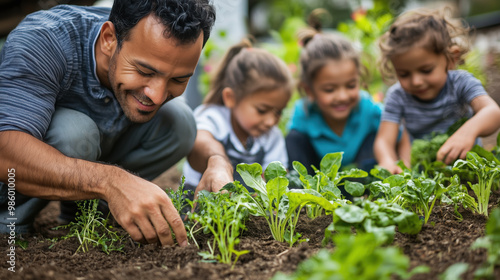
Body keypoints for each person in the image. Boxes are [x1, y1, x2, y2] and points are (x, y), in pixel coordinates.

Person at [0, 0, 216, 248]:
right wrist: (111, 182)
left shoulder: (142, 36)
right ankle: (9, 227)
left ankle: (89, 217)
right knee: (74, 133)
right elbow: (6, 151)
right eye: (145, 71)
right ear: (109, 39)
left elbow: (195, 134)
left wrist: (217, 161)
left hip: (90, 158)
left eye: (178, 79)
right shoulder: (44, 40)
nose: (157, 95)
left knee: (179, 121)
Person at [374, 6, 500, 174]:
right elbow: (384, 140)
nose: (416, 81)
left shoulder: (461, 82)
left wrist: (468, 132)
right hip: (424, 178)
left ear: (451, 59)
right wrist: (387, 160)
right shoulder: (397, 96)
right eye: (403, 74)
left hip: (467, 170)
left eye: (426, 70)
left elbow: (492, 112)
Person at [286, 19, 410, 175]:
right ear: (309, 91)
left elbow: (400, 130)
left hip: (359, 176)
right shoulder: (303, 114)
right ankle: (302, 192)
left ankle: (366, 193)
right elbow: (296, 151)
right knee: (294, 139)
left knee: (375, 137)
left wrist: (403, 165)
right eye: (330, 90)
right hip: (320, 178)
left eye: (351, 86)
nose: (343, 96)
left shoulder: (368, 108)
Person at [183, 39, 293, 199]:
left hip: (247, 206)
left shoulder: (272, 137)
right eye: (262, 110)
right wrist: (217, 162)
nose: (271, 121)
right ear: (231, 98)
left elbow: (276, 180)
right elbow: (200, 139)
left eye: (278, 112)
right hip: (197, 197)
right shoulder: (213, 117)